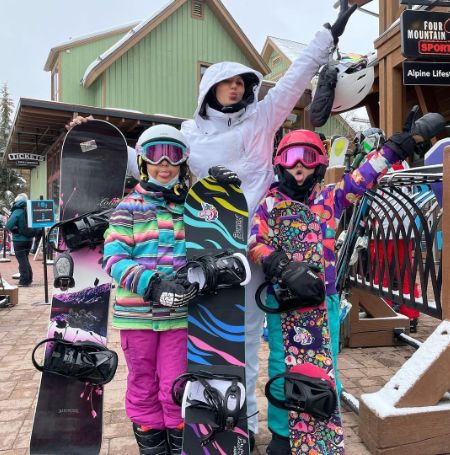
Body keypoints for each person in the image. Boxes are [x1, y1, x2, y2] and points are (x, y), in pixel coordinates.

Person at [68, 4, 357, 444]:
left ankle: (248, 424)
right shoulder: (190, 136)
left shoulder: (262, 120)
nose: (236, 89)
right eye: (227, 83)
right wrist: (99, 143)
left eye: (241, 82)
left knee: (250, 339)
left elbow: (297, 76)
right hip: (205, 251)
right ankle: (211, 420)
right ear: (209, 90)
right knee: (207, 345)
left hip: (252, 246)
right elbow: (158, 158)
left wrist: (330, 31)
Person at [247, 127, 426, 453]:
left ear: (319, 164)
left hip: (321, 299)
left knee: (322, 366)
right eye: (290, 158)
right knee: (281, 366)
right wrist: (281, 266)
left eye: (308, 157)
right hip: (284, 301)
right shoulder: (270, 204)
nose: (298, 165)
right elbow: (255, 244)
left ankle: (319, 427)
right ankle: (282, 433)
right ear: (279, 164)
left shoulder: (330, 198)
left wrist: (393, 150)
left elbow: (361, 178)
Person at [103, 125, 198, 455]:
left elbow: (205, 249)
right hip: (137, 318)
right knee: (143, 383)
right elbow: (113, 258)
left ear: (183, 163)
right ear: (143, 160)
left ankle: (178, 443)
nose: (165, 163)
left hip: (177, 318)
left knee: (175, 384)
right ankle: (152, 449)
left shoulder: (190, 209)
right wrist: (151, 283)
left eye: (173, 156)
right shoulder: (128, 208)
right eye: (157, 154)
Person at [5, 193, 34, 287]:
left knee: (22, 261)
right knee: (25, 259)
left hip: (19, 241)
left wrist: (16, 230)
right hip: (29, 240)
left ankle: (24, 280)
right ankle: (29, 278)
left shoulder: (17, 211)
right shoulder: (30, 210)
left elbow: (8, 226)